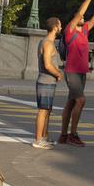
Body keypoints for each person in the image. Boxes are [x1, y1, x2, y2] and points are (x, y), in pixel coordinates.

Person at [58, 0, 94, 147]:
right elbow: (80, 13)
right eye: (80, 18)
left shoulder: (84, 30)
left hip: (81, 71)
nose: (83, 19)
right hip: (71, 71)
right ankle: (73, 134)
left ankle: (63, 136)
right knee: (80, 101)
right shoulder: (69, 30)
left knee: (71, 102)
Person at [33, 17, 63, 149]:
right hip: (45, 81)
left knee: (47, 110)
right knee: (43, 110)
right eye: (60, 25)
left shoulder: (46, 42)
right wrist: (58, 73)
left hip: (48, 82)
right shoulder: (48, 43)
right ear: (55, 27)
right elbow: (47, 64)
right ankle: (38, 139)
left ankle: (44, 137)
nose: (61, 27)